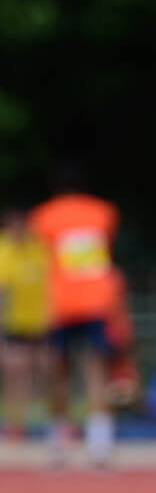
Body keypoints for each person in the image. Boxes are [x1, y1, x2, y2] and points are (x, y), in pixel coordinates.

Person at [28, 180, 121, 463]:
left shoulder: (44, 216)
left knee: (59, 375)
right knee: (96, 372)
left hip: (61, 305)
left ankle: (58, 443)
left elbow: (40, 258)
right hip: (98, 301)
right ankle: (100, 443)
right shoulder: (104, 212)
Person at [0, 206, 51, 438]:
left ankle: (49, 421)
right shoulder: (3, 249)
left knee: (47, 369)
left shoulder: (40, 248)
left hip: (43, 321)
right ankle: (15, 423)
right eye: (14, 224)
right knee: (15, 372)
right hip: (14, 322)